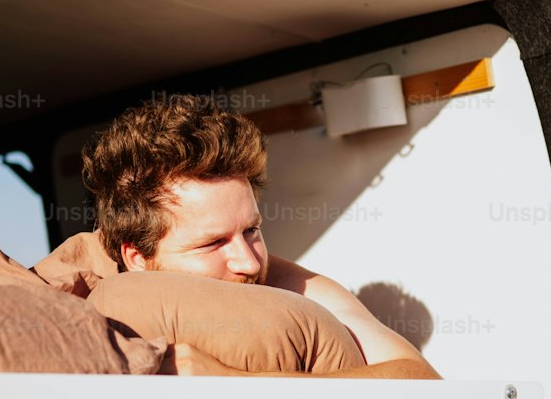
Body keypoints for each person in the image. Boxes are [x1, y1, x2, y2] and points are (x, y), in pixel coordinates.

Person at [82, 94, 440, 379]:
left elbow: (421, 381)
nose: (250, 261)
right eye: (213, 243)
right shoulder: (84, 303)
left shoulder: (293, 285)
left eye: (252, 230)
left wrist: (233, 381)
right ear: (137, 258)